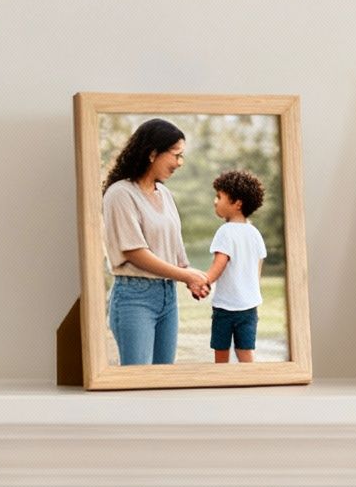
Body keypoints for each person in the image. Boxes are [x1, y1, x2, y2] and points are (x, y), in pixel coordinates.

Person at [100, 119, 212, 365]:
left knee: (164, 379)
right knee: (138, 383)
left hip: (167, 297)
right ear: (153, 153)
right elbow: (135, 253)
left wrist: (188, 275)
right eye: (176, 155)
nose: (180, 163)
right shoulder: (120, 194)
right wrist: (187, 276)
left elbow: (173, 244)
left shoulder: (165, 194)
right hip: (134, 297)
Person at [202, 168, 267, 364]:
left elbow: (219, 265)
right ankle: (250, 388)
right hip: (249, 307)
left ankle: (222, 389)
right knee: (245, 353)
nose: (215, 201)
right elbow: (257, 269)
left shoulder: (225, 231)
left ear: (237, 203)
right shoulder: (255, 233)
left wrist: (203, 281)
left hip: (226, 307)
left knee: (221, 354)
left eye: (219, 196)